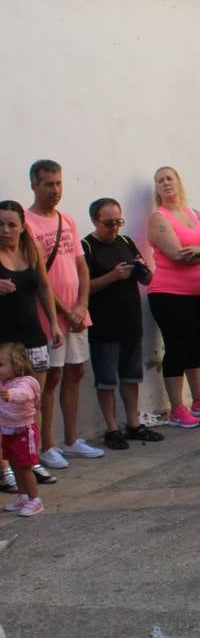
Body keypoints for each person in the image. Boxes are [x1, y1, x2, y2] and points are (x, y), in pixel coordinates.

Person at [26, 160, 99, 469]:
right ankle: (48, 445)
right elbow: (38, 277)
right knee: (50, 377)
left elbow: (81, 266)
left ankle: (72, 439)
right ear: (34, 185)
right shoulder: (27, 223)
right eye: (48, 184)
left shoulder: (67, 219)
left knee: (76, 371)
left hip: (76, 314)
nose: (55, 190)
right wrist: (65, 310)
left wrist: (81, 306)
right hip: (50, 317)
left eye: (58, 183)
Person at [146, 165, 200, 430]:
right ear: (156, 188)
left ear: (179, 182)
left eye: (170, 178)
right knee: (177, 345)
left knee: (196, 342)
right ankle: (177, 407)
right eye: (160, 180)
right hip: (169, 293)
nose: (166, 183)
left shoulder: (196, 214)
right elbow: (178, 254)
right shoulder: (159, 218)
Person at [81, 197, 160, 450]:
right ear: (95, 220)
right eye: (109, 223)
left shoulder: (126, 242)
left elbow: (147, 280)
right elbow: (84, 288)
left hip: (130, 322)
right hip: (104, 326)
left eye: (118, 222)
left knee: (130, 377)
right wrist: (112, 276)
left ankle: (133, 423)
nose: (115, 227)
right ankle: (112, 428)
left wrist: (143, 270)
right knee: (106, 381)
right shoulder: (87, 247)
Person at [0, 201, 61, 492]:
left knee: (31, 402)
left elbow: (45, 288)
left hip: (33, 338)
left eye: (12, 224)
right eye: (0, 224)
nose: (6, 230)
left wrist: (55, 324)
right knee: (3, 403)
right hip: (3, 342)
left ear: (22, 225)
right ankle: (4, 467)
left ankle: (30, 457)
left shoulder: (30, 250)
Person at [0, 343, 44, 517]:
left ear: (17, 365)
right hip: (9, 431)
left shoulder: (25, 383)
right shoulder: (4, 381)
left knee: (25, 467)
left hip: (24, 431)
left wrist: (12, 395)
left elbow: (25, 394)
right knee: (15, 465)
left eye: (1, 365)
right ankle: (23, 496)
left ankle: (35, 500)